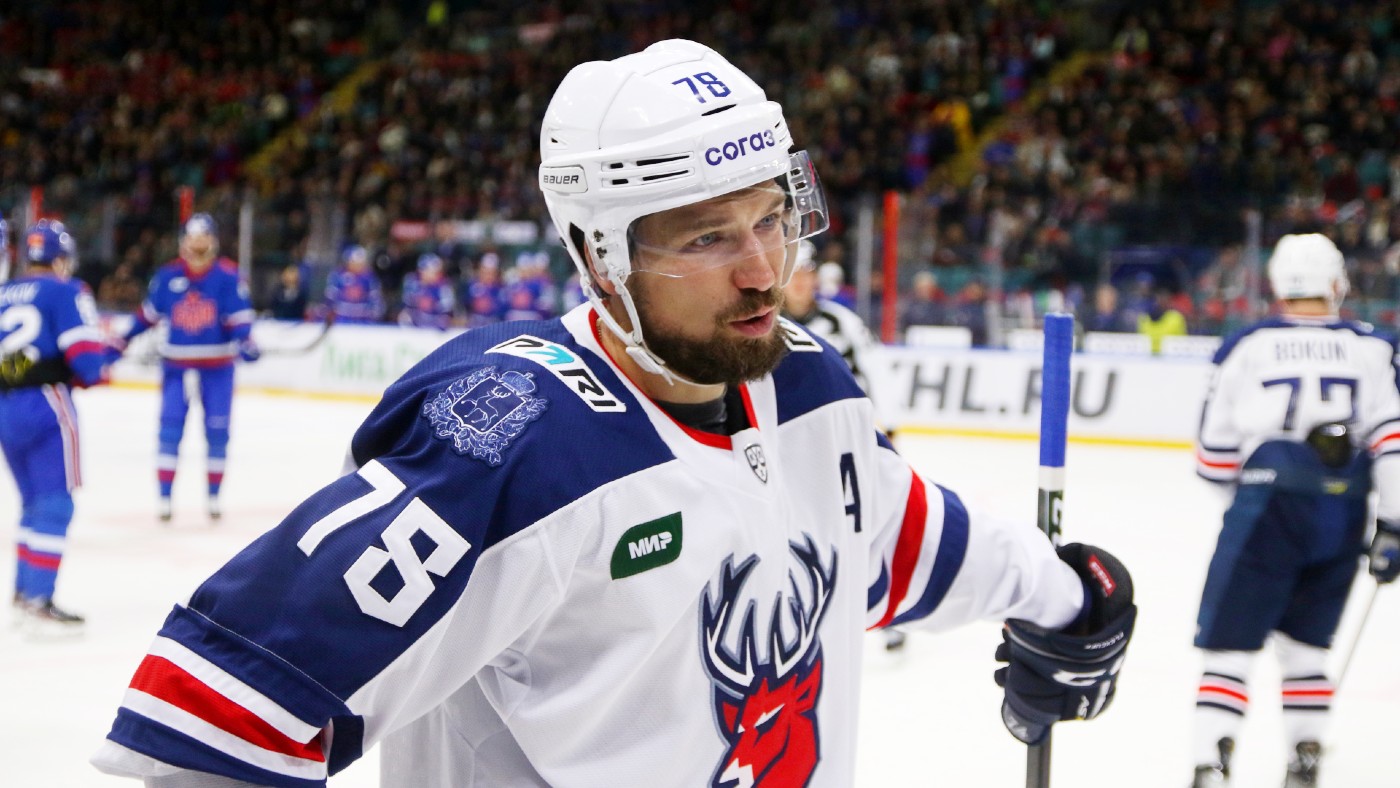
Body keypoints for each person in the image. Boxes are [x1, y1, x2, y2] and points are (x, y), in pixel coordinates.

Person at [92, 40, 1136, 787]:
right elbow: (216, 720)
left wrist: (1068, 595)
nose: (763, 268)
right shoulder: (508, 441)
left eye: (773, 217)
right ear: (598, 255)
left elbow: (891, 537)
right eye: (706, 237)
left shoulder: (806, 380)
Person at [1191, 232, 1400, 787]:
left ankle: (1210, 763)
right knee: (1307, 648)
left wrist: (1251, 504)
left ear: (1277, 286)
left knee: (1229, 647)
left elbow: (1212, 459)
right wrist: (1393, 524)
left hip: (1266, 509)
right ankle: (1304, 760)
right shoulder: (1375, 349)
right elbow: (1392, 443)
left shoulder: (1246, 347)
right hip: (1343, 514)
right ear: (1336, 284)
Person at [782, 239, 911, 651]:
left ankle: (889, 612)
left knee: (869, 523)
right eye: (793, 275)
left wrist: (890, 425)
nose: (800, 283)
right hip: (788, 446)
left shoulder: (841, 322)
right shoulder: (763, 323)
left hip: (846, 441)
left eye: (806, 274)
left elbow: (876, 369)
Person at [1, 220, 112, 628]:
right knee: (56, 503)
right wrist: (99, 367)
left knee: (32, 502)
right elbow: (87, 360)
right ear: (61, 258)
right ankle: (40, 597)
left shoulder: (3, 292)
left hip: (5, 406)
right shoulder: (67, 290)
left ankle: (23, 591)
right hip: (47, 403)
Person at [119, 214, 259, 522]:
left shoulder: (228, 277)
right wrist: (122, 339)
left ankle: (213, 497)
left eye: (203, 237)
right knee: (169, 431)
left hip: (217, 370)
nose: (198, 244)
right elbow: (148, 315)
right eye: (193, 238)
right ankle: (165, 499)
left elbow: (240, 320)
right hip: (177, 369)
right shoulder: (167, 276)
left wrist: (246, 340)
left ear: (213, 241)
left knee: (218, 433)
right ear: (184, 241)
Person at [324, 244, 384, 324]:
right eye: (355, 261)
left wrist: (372, 315)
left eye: (361, 261)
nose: (359, 264)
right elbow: (330, 298)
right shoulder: (337, 276)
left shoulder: (370, 278)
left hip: (363, 320)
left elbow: (376, 300)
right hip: (341, 319)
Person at [398, 252, 456, 329]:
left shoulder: (444, 286)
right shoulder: (412, 282)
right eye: (424, 269)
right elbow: (407, 303)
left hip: (435, 322)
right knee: (404, 316)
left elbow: (447, 309)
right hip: (416, 320)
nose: (424, 272)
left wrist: (433, 306)